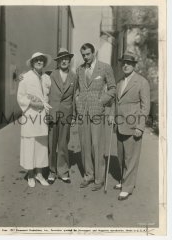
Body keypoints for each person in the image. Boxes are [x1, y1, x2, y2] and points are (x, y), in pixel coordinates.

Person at [76, 43, 116, 191]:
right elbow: (78, 89)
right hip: (83, 112)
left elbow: (113, 89)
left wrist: (101, 101)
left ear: (94, 53)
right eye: (83, 55)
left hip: (98, 112)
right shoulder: (79, 69)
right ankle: (88, 175)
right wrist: (77, 101)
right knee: (85, 145)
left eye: (87, 54)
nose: (85, 57)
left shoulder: (104, 67)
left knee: (97, 145)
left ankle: (99, 178)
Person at [113, 51, 150, 200]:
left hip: (133, 125)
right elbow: (117, 102)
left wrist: (140, 127)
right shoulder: (120, 82)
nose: (126, 65)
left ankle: (128, 187)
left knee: (131, 158)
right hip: (120, 124)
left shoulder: (142, 82)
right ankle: (124, 181)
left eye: (129, 63)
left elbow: (145, 106)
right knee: (122, 156)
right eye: (124, 63)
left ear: (134, 65)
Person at [17, 52, 52, 188]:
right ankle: (30, 174)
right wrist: (32, 103)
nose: (39, 62)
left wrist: (45, 104)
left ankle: (39, 173)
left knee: (41, 145)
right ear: (32, 63)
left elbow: (48, 93)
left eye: (41, 60)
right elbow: (20, 96)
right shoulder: (25, 78)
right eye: (36, 60)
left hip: (42, 116)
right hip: (30, 115)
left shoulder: (46, 78)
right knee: (29, 144)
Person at [47, 48, 77, 184]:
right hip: (53, 113)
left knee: (63, 144)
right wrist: (22, 77)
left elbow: (75, 97)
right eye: (61, 59)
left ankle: (63, 171)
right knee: (52, 144)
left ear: (69, 61)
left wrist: (74, 114)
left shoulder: (74, 76)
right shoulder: (51, 75)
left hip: (66, 114)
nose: (64, 61)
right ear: (58, 61)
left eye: (66, 58)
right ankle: (52, 171)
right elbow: (35, 77)